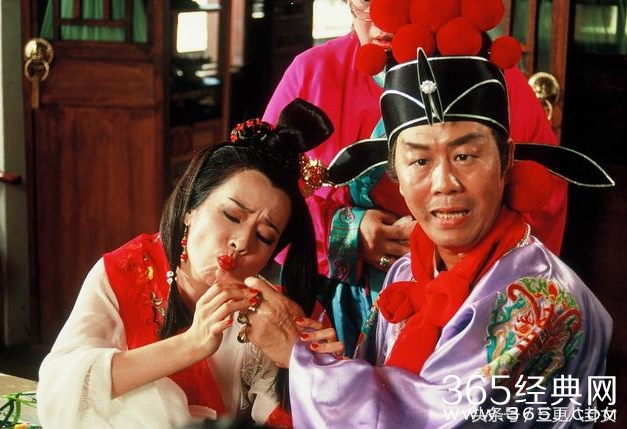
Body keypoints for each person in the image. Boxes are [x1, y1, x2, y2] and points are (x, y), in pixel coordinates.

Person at [245, 45, 614, 427]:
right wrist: (313, 345)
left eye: (465, 156)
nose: (444, 183)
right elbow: (382, 388)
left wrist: (301, 359)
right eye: (420, 161)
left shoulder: (539, 299)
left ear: (505, 160)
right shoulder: (407, 271)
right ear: (396, 174)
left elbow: (433, 418)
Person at [263, 0, 567, 356]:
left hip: (468, 311)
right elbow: (261, 192)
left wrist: (450, 255)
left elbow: (544, 198)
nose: (382, 20)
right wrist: (345, 233)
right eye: (364, 3)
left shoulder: (487, 71)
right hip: (329, 306)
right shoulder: (313, 72)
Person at [36, 99, 337, 428]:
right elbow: (61, 390)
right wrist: (192, 343)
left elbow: (284, 418)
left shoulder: (269, 310)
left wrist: (307, 368)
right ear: (190, 209)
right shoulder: (126, 272)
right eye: (231, 215)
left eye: (264, 236)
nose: (241, 242)